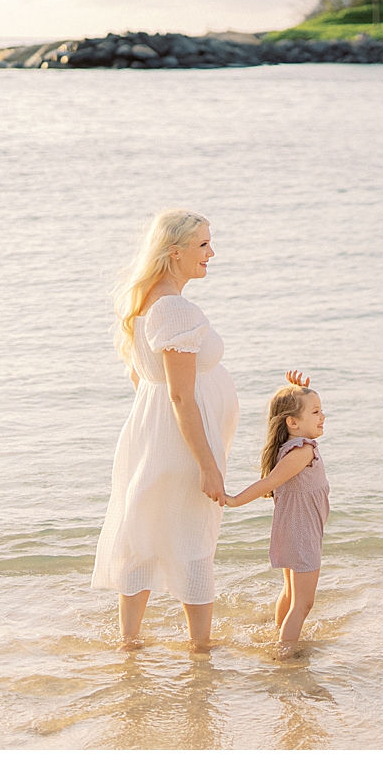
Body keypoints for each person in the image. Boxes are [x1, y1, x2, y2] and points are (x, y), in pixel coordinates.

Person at [91, 209, 239, 652]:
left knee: (144, 531)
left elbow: (145, 380)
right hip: (180, 441)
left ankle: (129, 645)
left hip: (152, 433)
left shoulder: (145, 301)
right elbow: (180, 395)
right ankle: (201, 651)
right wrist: (208, 466)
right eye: (204, 245)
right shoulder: (175, 308)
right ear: (175, 253)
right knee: (192, 539)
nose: (212, 253)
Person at [224, 372, 330, 655]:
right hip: (302, 534)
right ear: (293, 423)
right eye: (316, 411)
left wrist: (298, 389)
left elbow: (271, 482)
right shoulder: (303, 451)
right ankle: (285, 652)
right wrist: (233, 501)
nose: (323, 416)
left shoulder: (291, 448)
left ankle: (278, 637)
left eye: (322, 410)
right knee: (303, 603)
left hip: (293, 531)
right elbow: (268, 483)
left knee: (290, 594)